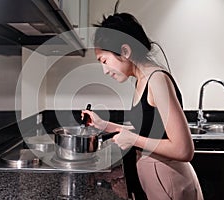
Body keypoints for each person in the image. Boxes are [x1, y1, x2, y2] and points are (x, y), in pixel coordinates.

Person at [82, 12, 204, 200]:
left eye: (104, 61)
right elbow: (147, 133)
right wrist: (104, 125)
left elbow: (184, 149)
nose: (105, 70)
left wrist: (133, 140)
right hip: (159, 180)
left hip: (169, 181)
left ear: (125, 51)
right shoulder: (142, 80)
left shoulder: (157, 80)